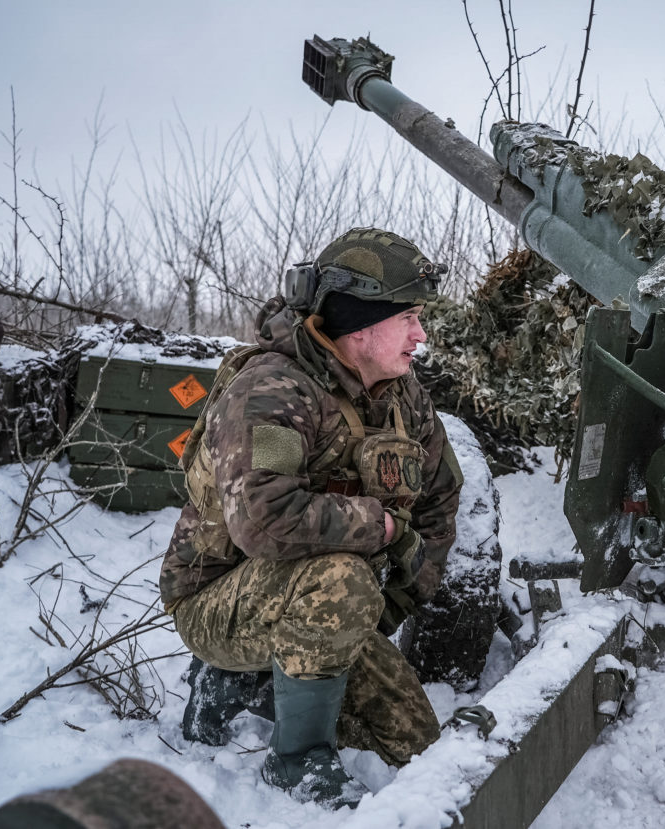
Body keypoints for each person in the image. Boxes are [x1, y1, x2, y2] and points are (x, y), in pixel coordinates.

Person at [158, 227, 463, 810]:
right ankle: (294, 757)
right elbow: (265, 521)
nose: (421, 335)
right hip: (215, 599)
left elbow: (440, 497)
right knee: (342, 577)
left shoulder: (403, 395)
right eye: (409, 318)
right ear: (359, 323)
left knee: (415, 745)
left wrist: (389, 604)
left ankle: (272, 675)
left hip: (326, 601)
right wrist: (385, 530)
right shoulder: (271, 391)